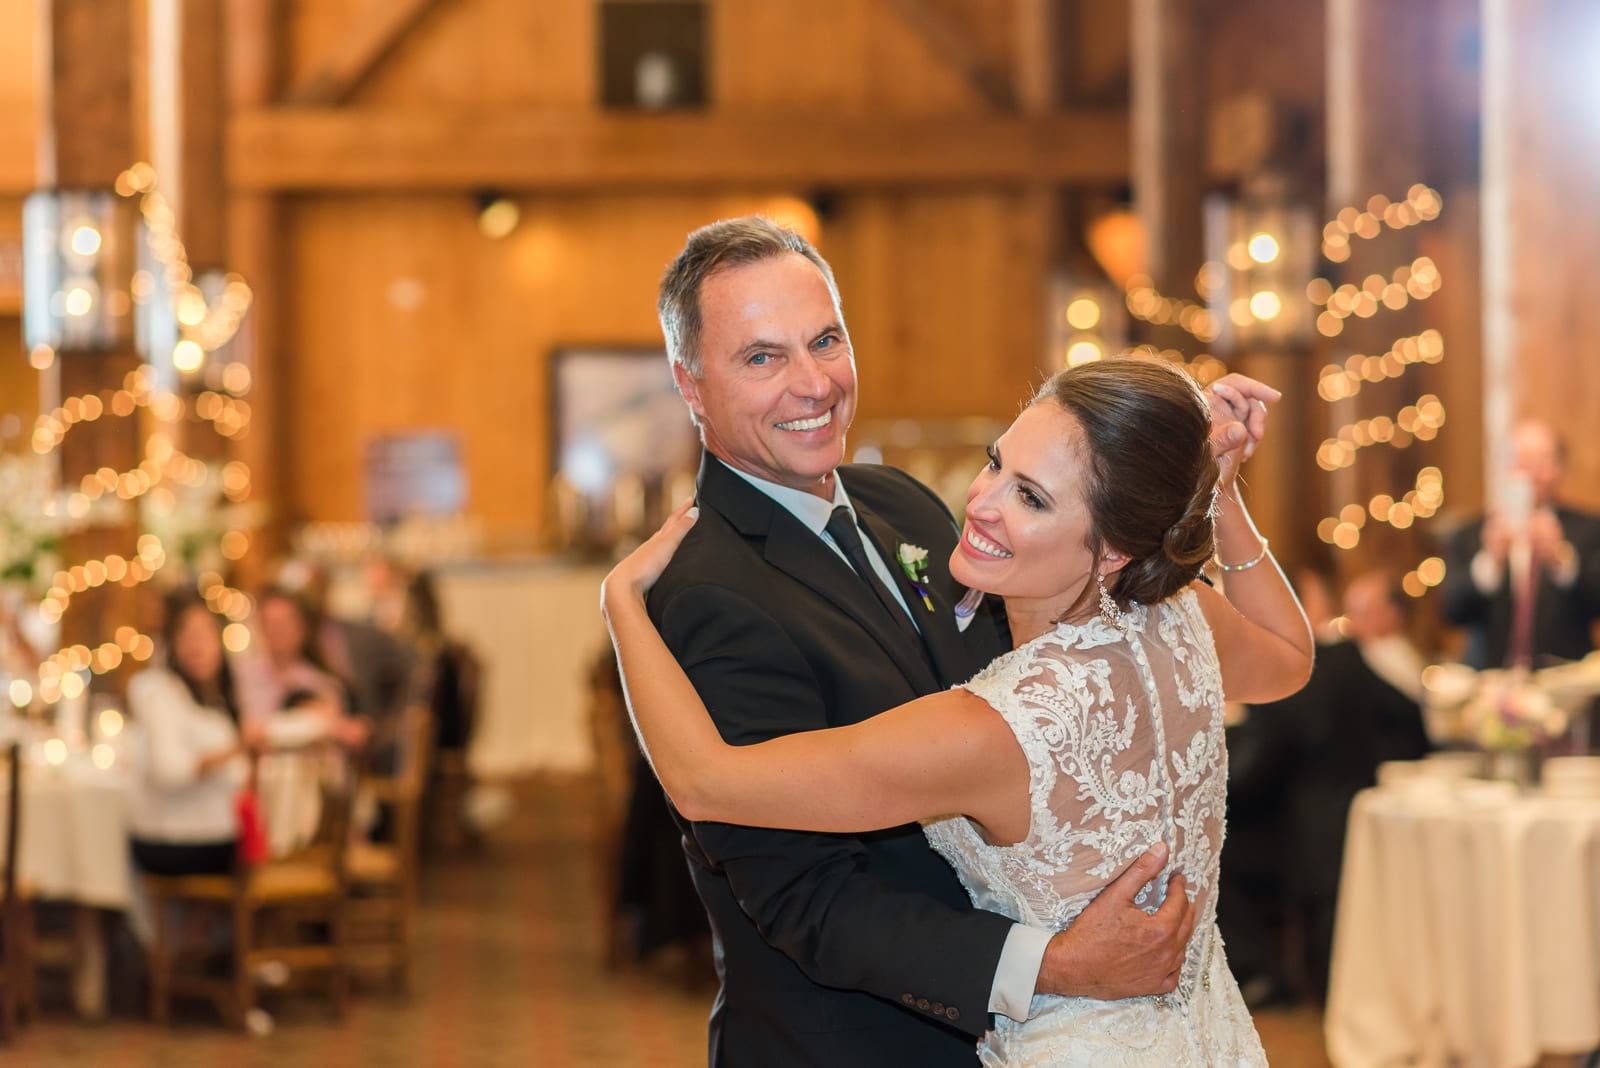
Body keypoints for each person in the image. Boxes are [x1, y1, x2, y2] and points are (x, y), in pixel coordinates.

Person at [633, 217, 1281, 1067]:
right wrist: (1053, 963)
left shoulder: (898, 502)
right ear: (691, 383)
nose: (813, 383)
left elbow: (1054, 663)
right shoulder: (706, 587)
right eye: (762, 357)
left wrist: (1185, 490)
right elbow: (804, 900)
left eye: (826, 340)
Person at [1441, 419, 1600, 668]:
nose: (1530, 471)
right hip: (1489, 681)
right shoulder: (1470, 534)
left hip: (1564, 683)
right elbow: (1452, 611)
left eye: (1541, 461)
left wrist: (1562, 561)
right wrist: (1489, 563)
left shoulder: (1590, 530)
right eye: (1520, 460)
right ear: (1503, 467)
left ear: (1559, 468)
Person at [127, 590, 255, 877]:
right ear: (174, 642)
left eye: (205, 636)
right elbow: (169, 770)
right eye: (187, 635)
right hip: (171, 837)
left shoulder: (219, 698)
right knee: (249, 854)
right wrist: (237, 749)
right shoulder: (158, 690)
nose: (196, 646)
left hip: (209, 831)